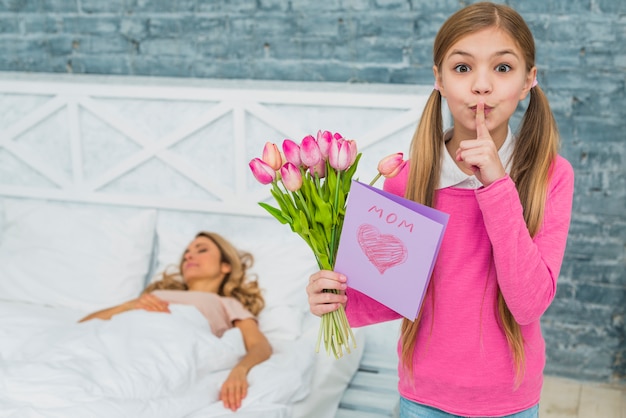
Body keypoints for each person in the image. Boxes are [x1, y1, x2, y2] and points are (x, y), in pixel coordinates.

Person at [307, 3, 574, 418]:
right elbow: (393, 294)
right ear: (439, 80)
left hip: (510, 400)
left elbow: (528, 304)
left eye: (502, 68)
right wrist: (336, 297)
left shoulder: (550, 175)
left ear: (529, 81)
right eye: (463, 68)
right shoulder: (405, 178)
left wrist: (497, 186)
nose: (481, 86)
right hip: (423, 397)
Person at [80, 231, 272, 412]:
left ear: (225, 266)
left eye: (201, 250)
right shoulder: (154, 295)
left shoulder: (227, 303)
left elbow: (259, 345)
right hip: (121, 342)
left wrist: (240, 370)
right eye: (186, 253)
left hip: (166, 351)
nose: (189, 256)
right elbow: (83, 325)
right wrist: (130, 305)